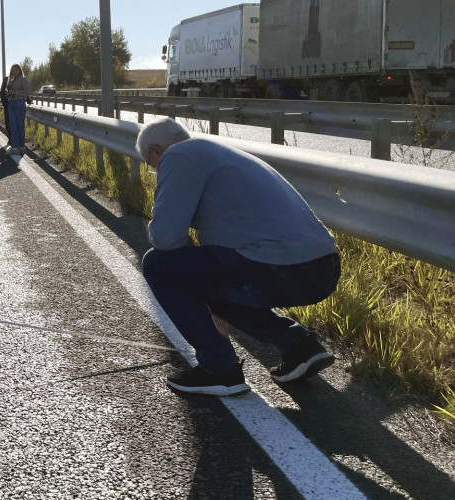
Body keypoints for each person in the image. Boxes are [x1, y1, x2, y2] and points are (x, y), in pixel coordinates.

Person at [138, 119, 340, 396]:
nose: (155, 171)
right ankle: (298, 346)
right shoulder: (219, 154)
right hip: (321, 267)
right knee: (207, 279)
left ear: (156, 151)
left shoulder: (178, 155)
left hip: (280, 267)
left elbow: (165, 238)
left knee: (158, 264)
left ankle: (218, 368)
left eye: (150, 164)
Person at [5, 64, 31, 155]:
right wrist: (8, 94)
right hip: (11, 103)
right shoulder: (11, 81)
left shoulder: (23, 80)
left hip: (19, 103)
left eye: (16, 70)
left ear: (19, 71)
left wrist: (15, 92)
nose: (14, 72)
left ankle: (21, 146)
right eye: (12, 70)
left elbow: (27, 91)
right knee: (13, 125)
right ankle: (15, 147)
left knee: (20, 125)